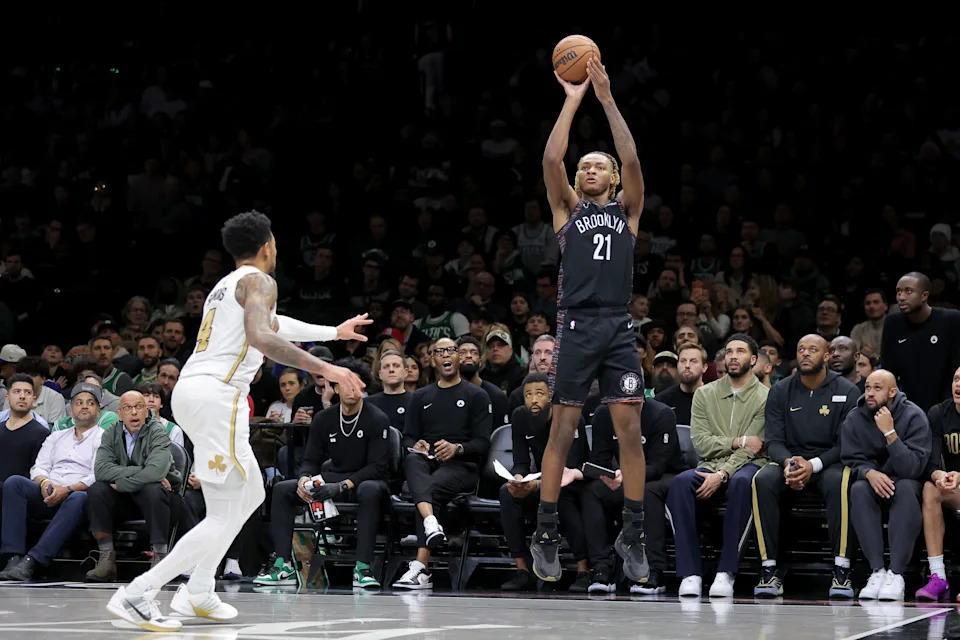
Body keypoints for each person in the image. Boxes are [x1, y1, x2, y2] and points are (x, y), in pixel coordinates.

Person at [104, 211, 370, 631]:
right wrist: (330, 369)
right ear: (268, 245)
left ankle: (200, 591)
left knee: (246, 497)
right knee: (227, 511)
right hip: (217, 397)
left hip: (197, 393)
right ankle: (139, 593)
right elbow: (263, 338)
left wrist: (334, 333)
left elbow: (272, 324)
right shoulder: (261, 280)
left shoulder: (226, 286)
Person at [532, 58, 649, 586]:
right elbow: (552, 156)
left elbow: (631, 155)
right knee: (563, 428)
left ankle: (635, 530)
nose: (587, 169)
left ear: (615, 178)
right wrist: (572, 98)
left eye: (597, 166)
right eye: (585, 167)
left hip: (618, 327)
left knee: (630, 432)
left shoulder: (628, 211)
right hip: (576, 325)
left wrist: (605, 96)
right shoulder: (568, 212)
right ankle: (547, 530)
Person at [256, 359, 390, 589]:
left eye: (355, 384)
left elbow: (377, 467)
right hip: (334, 478)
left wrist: (343, 485)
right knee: (282, 489)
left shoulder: (377, 418)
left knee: (369, 490)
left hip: (368, 481)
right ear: (335, 388)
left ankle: (363, 567)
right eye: (344, 384)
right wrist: (304, 479)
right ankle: (283, 564)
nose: (350, 389)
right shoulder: (324, 419)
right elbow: (311, 459)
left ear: (363, 387)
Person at [751, 335, 860, 599]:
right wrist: (790, 464)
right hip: (790, 459)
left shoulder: (847, 391)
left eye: (813, 349)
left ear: (826, 356)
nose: (806, 354)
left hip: (830, 460)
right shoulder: (780, 390)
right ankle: (769, 569)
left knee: (840, 481)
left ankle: (842, 569)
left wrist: (812, 465)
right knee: (762, 479)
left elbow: (846, 445)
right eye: (801, 349)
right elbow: (774, 440)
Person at [668, 333, 769, 598]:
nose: (733, 356)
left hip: (748, 465)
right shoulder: (705, 393)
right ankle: (690, 572)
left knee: (742, 482)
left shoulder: (765, 397)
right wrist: (737, 440)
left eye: (740, 351)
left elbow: (754, 448)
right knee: (680, 483)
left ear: (754, 359)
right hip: (710, 463)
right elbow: (701, 443)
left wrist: (723, 474)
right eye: (729, 351)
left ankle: (726, 571)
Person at [393, 337, 492, 589]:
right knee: (413, 461)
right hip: (428, 462)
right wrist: (417, 445)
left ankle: (421, 567)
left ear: (458, 356)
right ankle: (431, 523)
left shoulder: (477, 396)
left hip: (462, 466)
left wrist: (457, 448)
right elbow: (409, 437)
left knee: (427, 488)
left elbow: (483, 443)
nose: (445, 355)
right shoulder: (421, 396)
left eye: (451, 350)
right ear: (432, 360)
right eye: (439, 351)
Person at [841, 370, 931, 601]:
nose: (870, 393)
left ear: (893, 392)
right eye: (868, 387)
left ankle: (896, 574)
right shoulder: (854, 417)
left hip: (906, 482)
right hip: (873, 481)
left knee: (905, 488)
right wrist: (868, 472)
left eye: (877, 388)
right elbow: (850, 457)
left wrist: (890, 433)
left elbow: (913, 468)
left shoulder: (914, 416)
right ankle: (878, 571)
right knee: (858, 489)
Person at [0, 383, 104, 580]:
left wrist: (66, 489)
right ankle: (12, 557)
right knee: (14, 483)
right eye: (79, 403)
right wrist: (46, 484)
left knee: (80, 498)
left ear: (98, 411)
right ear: (71, 410)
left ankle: (33, 561)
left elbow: (97, 474)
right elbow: (38, 467)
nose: (84, 406)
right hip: (48, 491)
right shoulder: (56, 436)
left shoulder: (104, 438)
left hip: (77, 498)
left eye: (90, 403)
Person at [582, 398, 685, 595]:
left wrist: (627, 474)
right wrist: (606, 475)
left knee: (647, 491)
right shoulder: (603, 414)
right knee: (592, 490)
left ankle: (654, 569)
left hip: (665, 477)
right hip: (625, 476)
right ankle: (602, 566)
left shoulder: (661, 413)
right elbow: (600, 460)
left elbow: (658, 466)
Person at [499, 373, 589, 592]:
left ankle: (584, 570)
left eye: (540, 394)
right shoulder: (520, 416)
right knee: (506, 493)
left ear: (551, 396)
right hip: (539, 479)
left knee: (562, 498)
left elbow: (571, 465)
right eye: (528, 395)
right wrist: (518, 479)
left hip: (571, 479)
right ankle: (523, 569)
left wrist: (539, 485)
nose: (534, 400)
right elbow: (521, 461)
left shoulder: (570, 417)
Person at [85, 390, 184, 583]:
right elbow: (102, 471)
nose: (133, 412)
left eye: (139, 407)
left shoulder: (157, 432)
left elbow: (155, 473)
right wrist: (141, 471)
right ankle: (106, 559)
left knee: (153, 488)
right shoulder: (111, 433)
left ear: (146, 412)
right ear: (119, 414)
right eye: (127, 408)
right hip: (128, 501)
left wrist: (121, 483)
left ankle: (160, 558)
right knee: (97, 489)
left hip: (163, 498)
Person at [881, 272, 960, 410]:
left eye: (908, 291)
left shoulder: (951, 320)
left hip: (947, 405)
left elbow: (956, 366)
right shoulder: (892, 323)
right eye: (898, 292)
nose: (901, 297)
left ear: (924, 295)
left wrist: (948, 408)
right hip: (907, 406)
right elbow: (889, 370)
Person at [915, 366, 960, 601]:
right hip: (953, 487)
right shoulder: (939, 413)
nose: (958, 385)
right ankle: (938, 577)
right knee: (929, 488)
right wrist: (939, 476)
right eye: (956, 379)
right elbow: (929, 462)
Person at [457, 336, 509, 428]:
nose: (469, 355)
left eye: (474, 353)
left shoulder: (496, 396)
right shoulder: (447, 393)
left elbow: (500, 434)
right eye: (462, 353)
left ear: (480, 362)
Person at [655, 343, 706, 425]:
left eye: (693, 361)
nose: (687, 365)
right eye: (683, 361)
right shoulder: (662, 400)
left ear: (704, 367)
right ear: (678, 365)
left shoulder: (715, 399)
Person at [366, 350, 412, 434]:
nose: (391, 370)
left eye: (396, 366)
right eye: (386, 366)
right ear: (380, 374)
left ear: (405, 372)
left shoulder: (416, 401)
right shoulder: (368, 404)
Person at [509, 334, 555, 412]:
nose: (542, 357)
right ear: (532, 357)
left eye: (548, 352)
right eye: (537, 353)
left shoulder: (568, 390)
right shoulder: (518, 395)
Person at [851, 289, 888, 355]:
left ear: (885, 306)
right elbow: (853, 354)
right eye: (868, 303)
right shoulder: (858, 329)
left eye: (876, 302)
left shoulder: (895, 326)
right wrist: (863, 353)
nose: (871, 306)